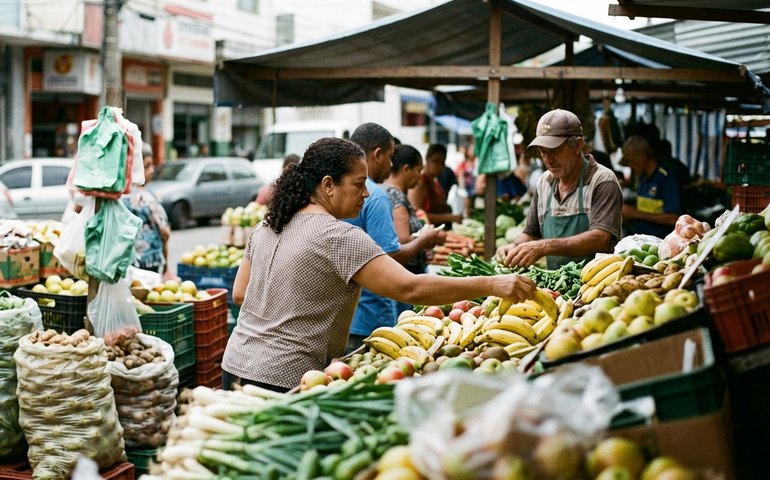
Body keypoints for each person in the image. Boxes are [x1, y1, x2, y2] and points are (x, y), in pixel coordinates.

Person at [222, 137, 535, 392]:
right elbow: (409, 288)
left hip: (234, 365)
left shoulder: (267, 226)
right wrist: (493, 284)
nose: (366, 193)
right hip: (284, 378)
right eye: (359, 184)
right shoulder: (339, 236)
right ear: (328, 185)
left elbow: (240, 294)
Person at [345, 123, 446, 352]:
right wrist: (424, 240)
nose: (392, 165)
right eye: (390, 157)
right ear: (377, 154)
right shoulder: (375, 196)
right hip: (372, 315)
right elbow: (391, 256)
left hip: (344, 313)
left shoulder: (338, 191)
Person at [496, 109, 623, 270]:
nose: (548, 160)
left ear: (578, 145)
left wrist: (543, 247)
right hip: (556, 285)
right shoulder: (544, 182)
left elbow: (600, 238)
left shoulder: (603, 181)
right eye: (543, 152)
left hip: (597, 285)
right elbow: (531, 233)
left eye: (555, 151)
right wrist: (513, 246)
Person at [383, 144, 446, 313]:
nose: (420, 176)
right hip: (406, 278)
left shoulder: (394, 193)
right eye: (418, 170)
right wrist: (426, 238)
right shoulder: (395, 195)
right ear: (406, 169)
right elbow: (402, 241)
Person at [121, 143, 175, 280]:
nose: (152, 170)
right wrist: (167, 267)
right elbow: (165, 233)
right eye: (147, 166)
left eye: (152, 165)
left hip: (127, 261)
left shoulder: (119, 195)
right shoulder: (146, 198)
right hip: (148, 262)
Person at [620, 135, 681, 238]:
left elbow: (673, 218)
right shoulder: (642, 177)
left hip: (659, 241)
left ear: (643, 156)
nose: (630, 165)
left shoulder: (666, 179)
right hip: (641, 239)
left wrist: (635, 213)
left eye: (632, 161)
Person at [408, 143, 463, 228]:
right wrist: (449, 217)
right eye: (436, 161)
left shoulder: (435, 182)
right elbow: (416, 215)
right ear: (427, 158)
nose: (440, 166)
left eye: (442, 162)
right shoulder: (419, 183)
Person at [456, 141, 478, 217]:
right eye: (471, 149)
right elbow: (459, 174)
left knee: (475, 205)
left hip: (475, 187)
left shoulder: (477, 162)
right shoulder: (463, 163)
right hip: (467, 187)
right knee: (467, 205)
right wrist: (462, 186)